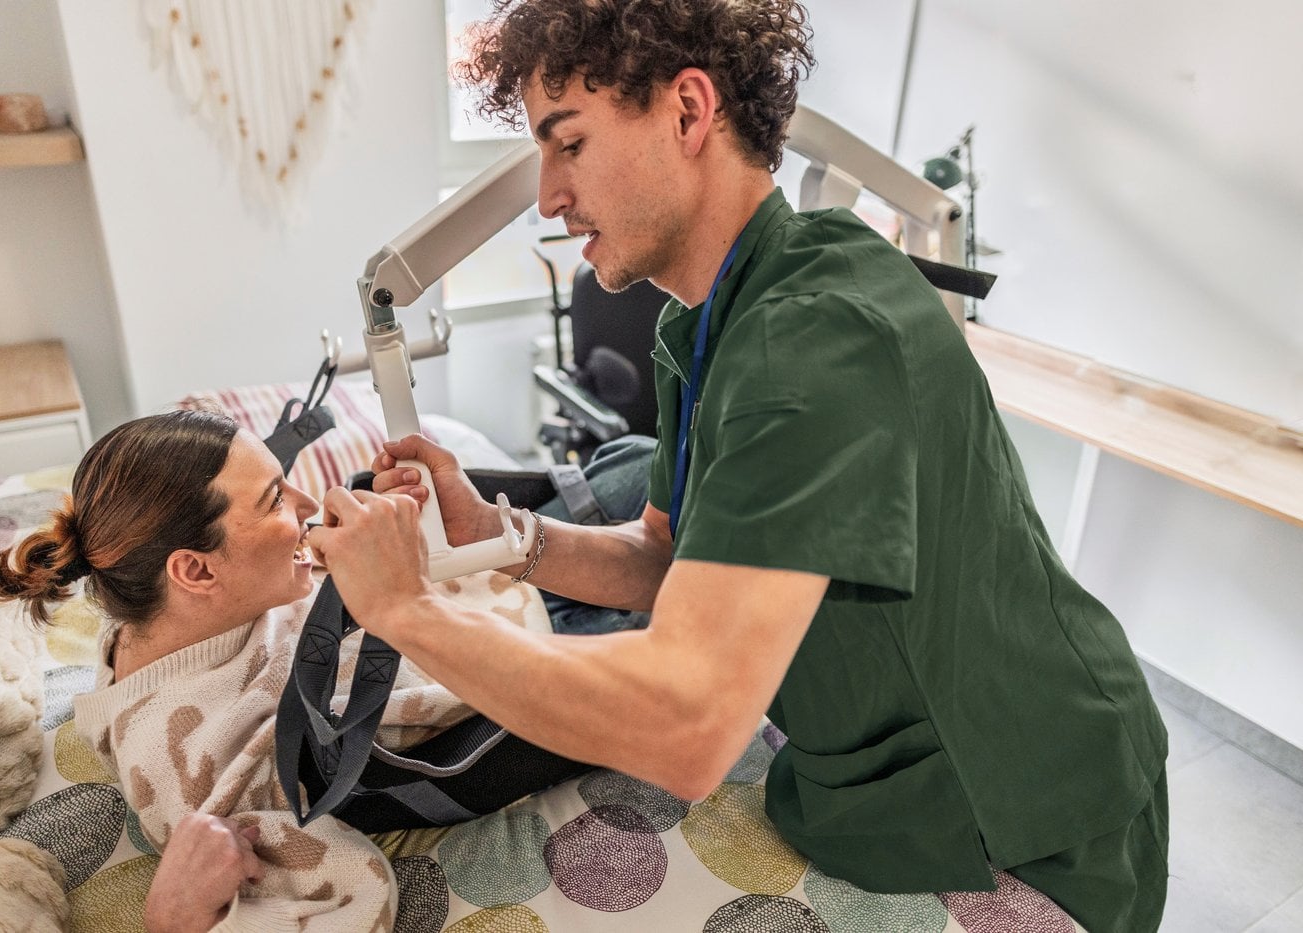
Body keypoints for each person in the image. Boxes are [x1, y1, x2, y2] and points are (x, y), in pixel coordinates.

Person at [306, 2, 1170, 931]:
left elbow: (687, 727)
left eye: (569, 146)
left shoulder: (814, 337)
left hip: (1029, 807)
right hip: (885, 772)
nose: (549, 196)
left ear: (687, 112)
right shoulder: (704, 322)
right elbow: (666, 557)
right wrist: (498, 532)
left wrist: (405, 609)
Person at [0, 408, 653, 931]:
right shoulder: (201, 771)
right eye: (274, 499)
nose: (307, 502)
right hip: (543, 652)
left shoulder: (161, 611)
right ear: (196, 569)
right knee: (689, 528)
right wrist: (179, 922)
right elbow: (356, 893)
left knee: (641, 462)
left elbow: (312, 597)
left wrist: (400, 530)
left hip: (483, 584)